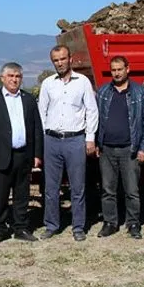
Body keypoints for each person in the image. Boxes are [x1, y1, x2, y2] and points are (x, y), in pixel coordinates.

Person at [38, 44, 99, 242]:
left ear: (70, 59)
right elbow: (42, 112)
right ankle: (52, 225)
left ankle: (78, 227)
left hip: (75, 139)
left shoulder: (82, 82)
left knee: (78, 186)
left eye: (63, 59)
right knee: (51, 187)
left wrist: (90, 138)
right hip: (52, 140)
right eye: (56, 60)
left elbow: (91, 110)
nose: (60, 63)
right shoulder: (48, 84)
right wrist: (43, 140)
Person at [0, 62, 44, 244]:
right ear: (2, 78)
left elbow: (36, 129)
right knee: (0, 196)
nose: (14, 80)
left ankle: (21, 228)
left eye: (18, 77)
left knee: (22, 195)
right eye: (11, 76)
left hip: (23, 155)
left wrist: (37, 154)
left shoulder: (29, 100)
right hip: (1, 158)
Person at [95, 56, 144, 240]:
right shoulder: (103, 92)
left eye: (120, 69)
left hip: (130, 149)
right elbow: (97, 120)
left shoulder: (139, 92)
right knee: (107, 189)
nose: (117, 73)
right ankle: (110, 223)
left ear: (128, 69)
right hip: (107, 149)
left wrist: (143, 148)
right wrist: (97, 143)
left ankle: (133, 223)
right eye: (113, 70)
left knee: (132, 190)